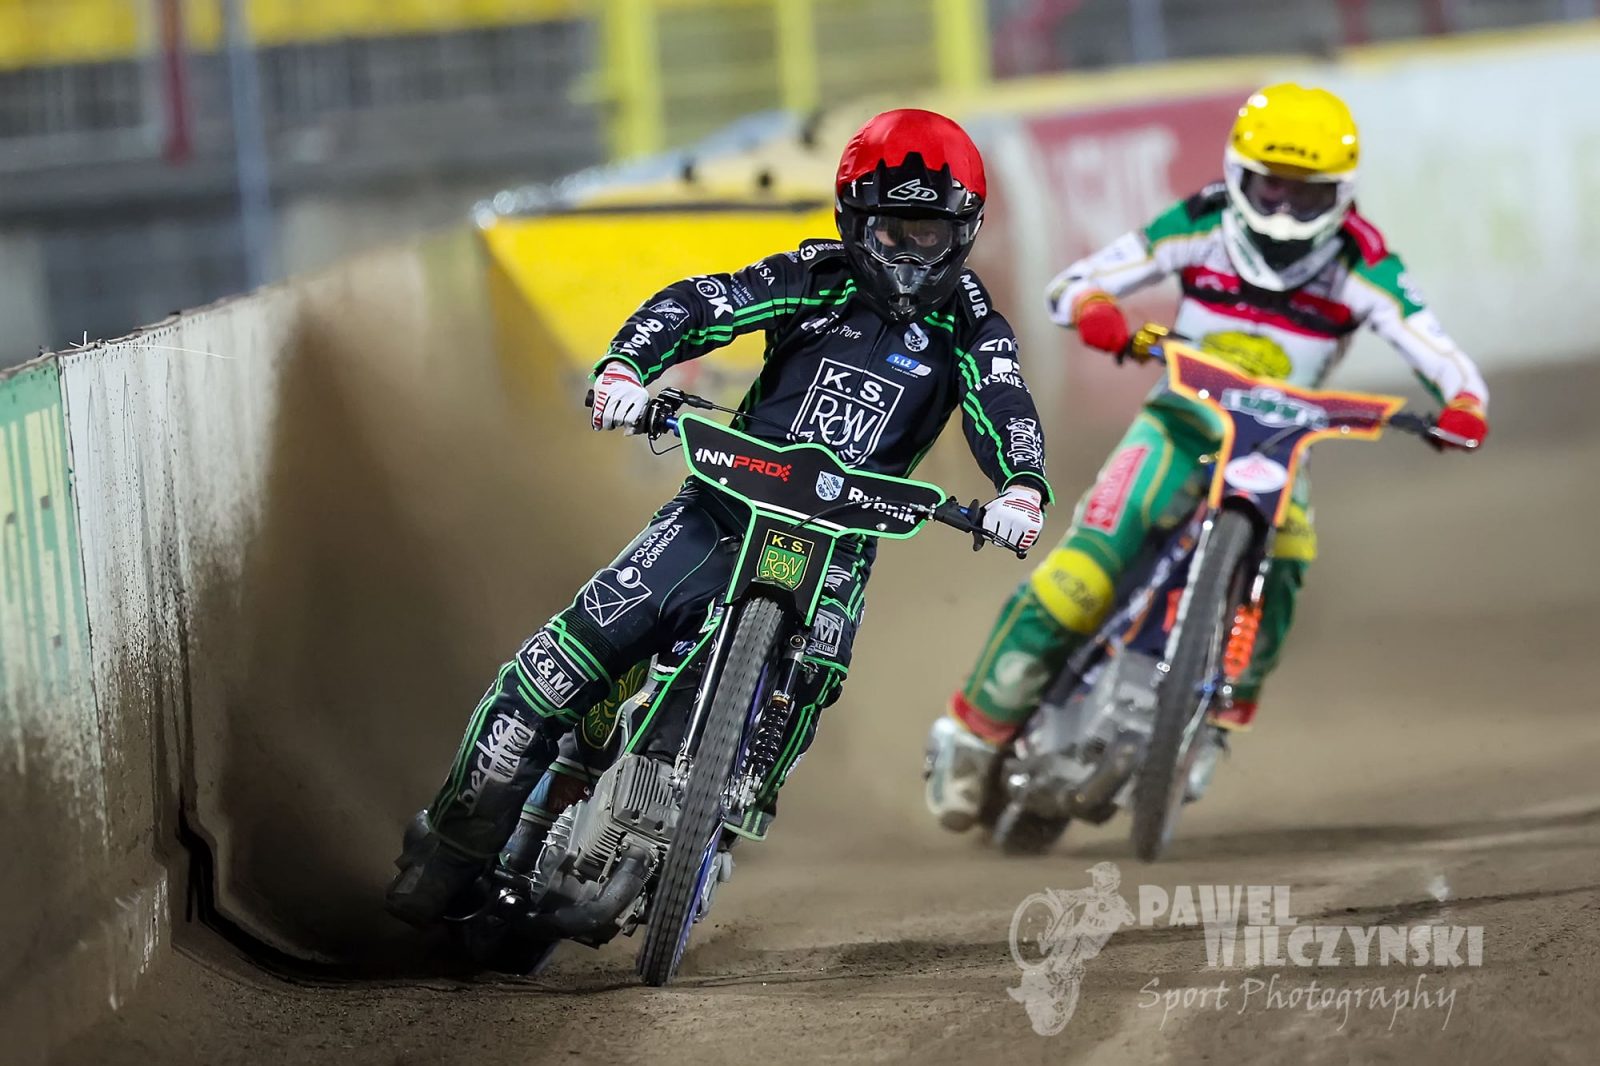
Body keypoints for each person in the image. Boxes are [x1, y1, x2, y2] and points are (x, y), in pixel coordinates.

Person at [387, 108, 1054, 923]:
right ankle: (452, 846)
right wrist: (627, 367)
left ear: (964, 231)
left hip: (839, 547)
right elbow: (702, 303)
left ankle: (721, 823)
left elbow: (1004, 402)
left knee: (808, 684)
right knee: (557, 665)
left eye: (930, 234)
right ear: (853, 221)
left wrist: (1021, 487)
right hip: (719, 510)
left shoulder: (975, 327)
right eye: (893, 232)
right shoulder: (813, 275)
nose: (912, 256)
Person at [924, 83, 1490, 830]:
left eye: (1306, 194)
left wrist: (1463, 405)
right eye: (1270, 187)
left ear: (1342, 194)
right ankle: (971, 734)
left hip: (1279, 447)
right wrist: (1099, 313)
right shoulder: (1202, 221)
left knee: (1289, 562)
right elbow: (1074, 286)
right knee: (1080, 573)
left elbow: (1443, 356)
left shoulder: (1365, 264)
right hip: (1179, 423)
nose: (1283, 212)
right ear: (1237, 174)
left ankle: (1215, 726)